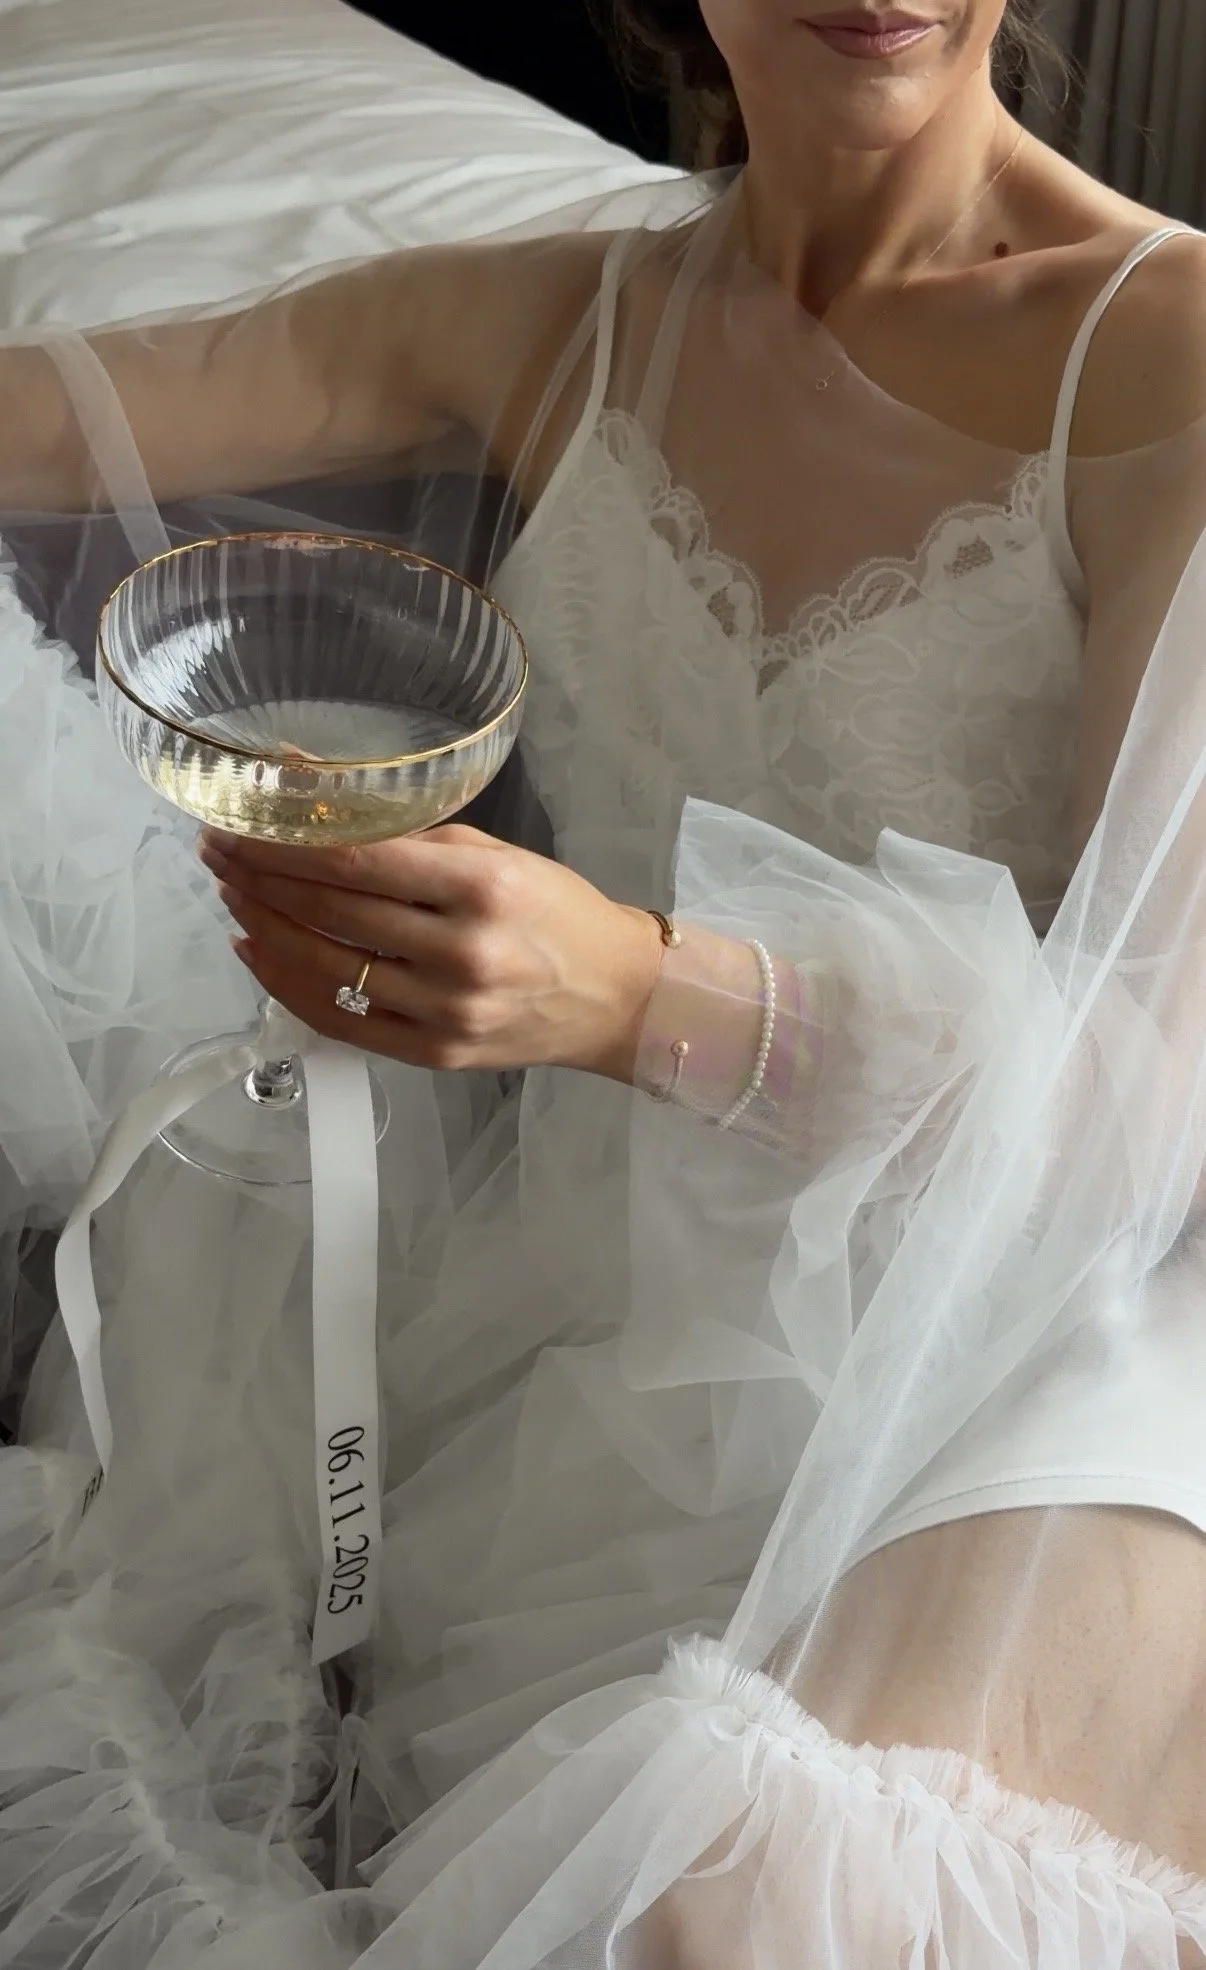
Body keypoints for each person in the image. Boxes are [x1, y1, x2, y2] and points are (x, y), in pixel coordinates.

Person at [4, 0, 1206, 1962]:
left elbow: (1154, 1099)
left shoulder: (1164, 349)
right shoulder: (564, 321)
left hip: (1031, 1328)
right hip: (592, 1302)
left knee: (727, 1892)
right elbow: (84, 404)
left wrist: (640, 995)